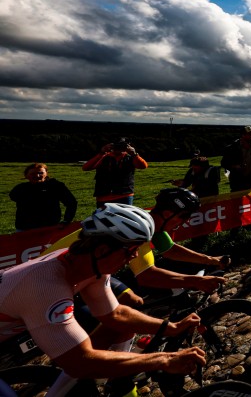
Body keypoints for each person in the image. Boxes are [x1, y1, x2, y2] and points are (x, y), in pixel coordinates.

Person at [0, 207, 206, 390]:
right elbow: (80, 362)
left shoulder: (88, 265)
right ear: (102, 250)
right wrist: (164, 359)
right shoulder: (45, 288)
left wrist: (171, 327)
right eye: (132, 250)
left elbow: (116, 314)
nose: (134, 257)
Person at [45, 188, 227, 295]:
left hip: (69, 269)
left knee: (125, 304)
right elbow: (147, 276)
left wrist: (211, 260)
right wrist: (195, 281)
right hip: (54, 276)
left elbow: (171, 250)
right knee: (126, 308)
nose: (186, 221)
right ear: (167, 214)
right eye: (184, 216)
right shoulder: (138, 230)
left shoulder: (147, 221)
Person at [9, 163, 77, 231]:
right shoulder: (20, 188)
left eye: (40, 173)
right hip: (24, 228)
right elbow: (13, 196)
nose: (37, 175)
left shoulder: (55, 186)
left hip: (50, 227)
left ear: (46, 173)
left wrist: (66, 221)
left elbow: (72, 203)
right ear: (26, 175)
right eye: (33, 174)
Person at [82, 137, 148, 205]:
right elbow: (86, 167)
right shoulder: (104, 157)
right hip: (104, 196)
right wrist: (102, 152)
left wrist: (134, 154)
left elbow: (143, 166)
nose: (119, 148)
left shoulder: (130, 157)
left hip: (124, 195)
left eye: (122, 145)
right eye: (116, 145)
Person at [221, 126, 251, 191]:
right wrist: (234, 166)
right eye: (249, 134)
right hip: (237, 180)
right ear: (243, 135)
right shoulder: (232, 147)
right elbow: (223, 163)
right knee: (237, 199)